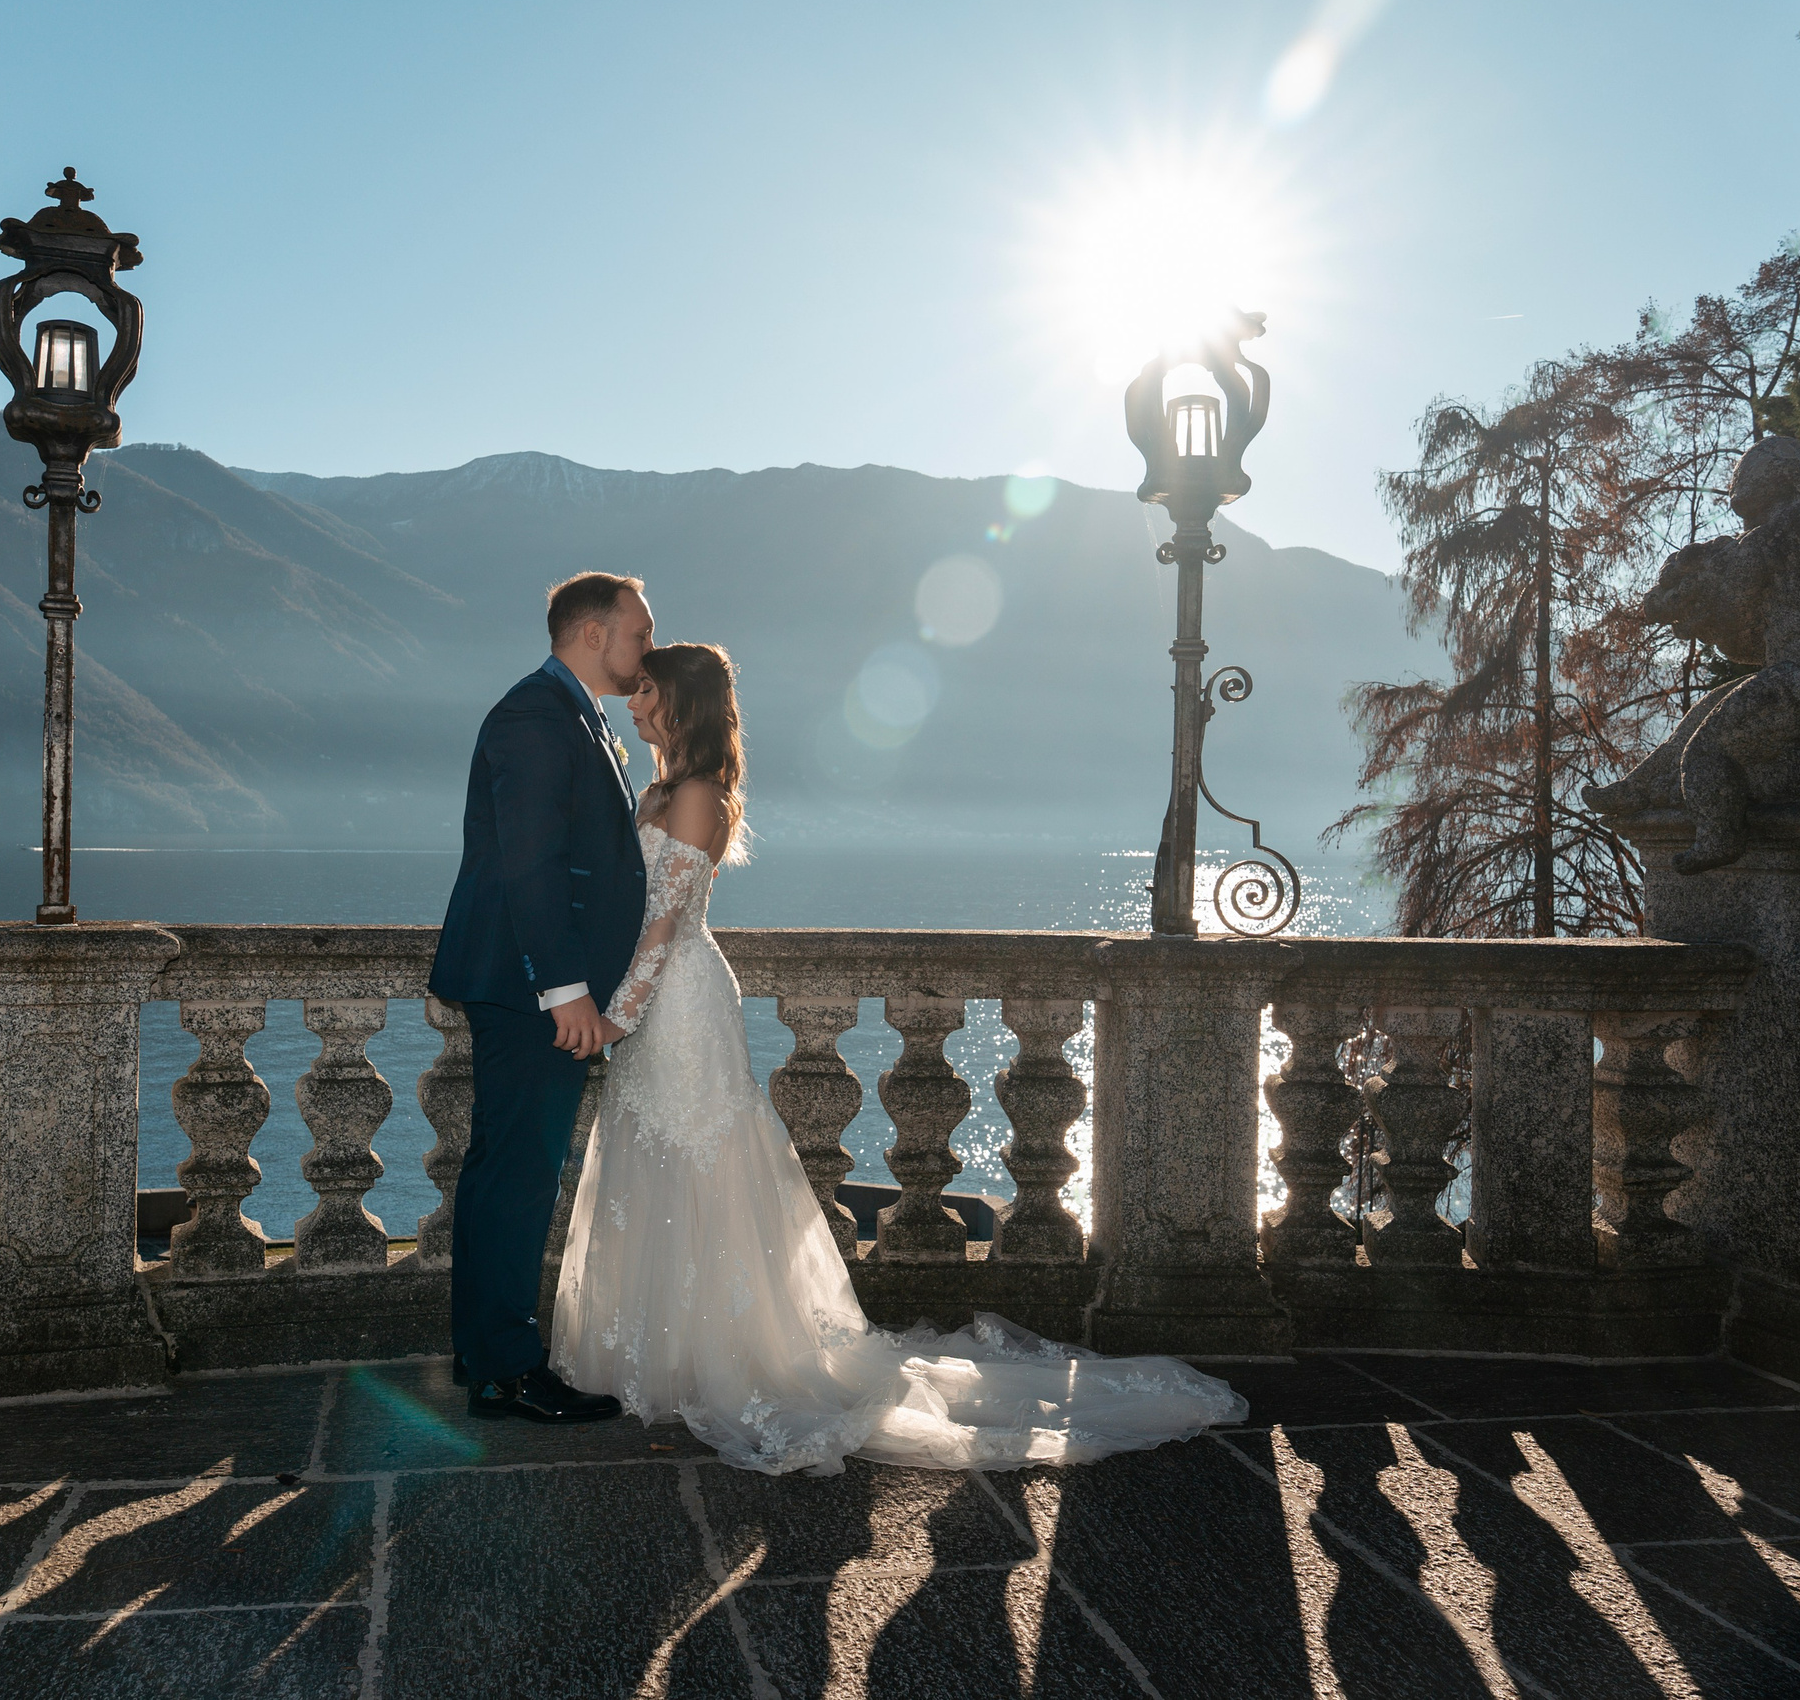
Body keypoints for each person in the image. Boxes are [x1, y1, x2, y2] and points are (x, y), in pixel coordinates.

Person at [551, 641, 1247, 1473]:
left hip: (679, 1000)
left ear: (682, 703)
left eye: (648, 692)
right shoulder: (659, 789)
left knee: (703, 1162)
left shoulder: (696, 794)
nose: (633, 702)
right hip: (652, 997)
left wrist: (618, 1017)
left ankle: (720, 1357)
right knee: (653, 1157)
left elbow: (665, 923)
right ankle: (657, 1353)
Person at [428, 572, 653, 1423]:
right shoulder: (534, 714)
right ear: (592, 633)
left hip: (532, 987)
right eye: (639, 632)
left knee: (507, 1171)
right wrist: (565, 991)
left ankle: (488, 1355)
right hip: (531, 991)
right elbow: (531, 861)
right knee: (517, 1175)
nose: (646, 648)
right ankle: (507, 1368)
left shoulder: (573, 713)